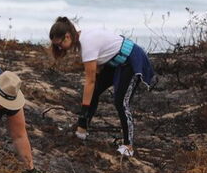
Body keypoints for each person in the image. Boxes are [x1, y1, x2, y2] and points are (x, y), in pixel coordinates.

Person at [48, 17, 155, 158]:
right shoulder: (80, 40)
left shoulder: (86, 43)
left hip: (130, 60)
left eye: (60, 44)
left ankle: (128, 146)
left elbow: (90, 81)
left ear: (67, 36)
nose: (60, 48)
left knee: (121, 102)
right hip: (115, 62)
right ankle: (82, 131)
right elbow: (97, 73)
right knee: (95, 91)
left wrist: (83, 112)